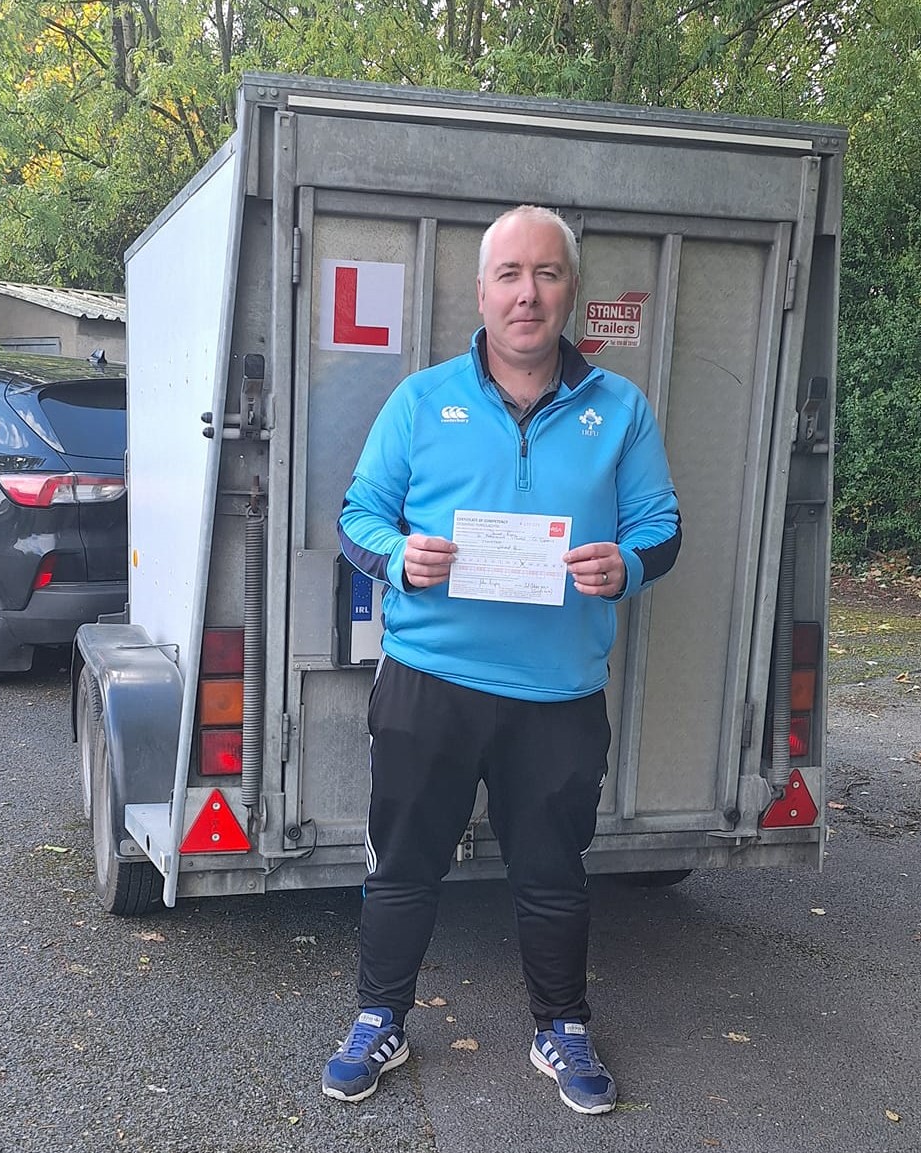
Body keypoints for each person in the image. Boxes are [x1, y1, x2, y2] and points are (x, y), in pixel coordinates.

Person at [323, 205, 682, 1114]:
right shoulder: (420, 400)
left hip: (557, 694)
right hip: (428, 682)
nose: (527, 293)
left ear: (570, 291)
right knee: (403, 864)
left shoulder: (619, 409)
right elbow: (357, 517)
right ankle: (378, 1017)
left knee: (553, 873)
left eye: (546, 273)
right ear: (481, 292)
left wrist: (628, 564)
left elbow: (660, 525)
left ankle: (560, 1027)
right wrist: (398, 555)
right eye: (510, 275)